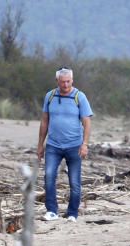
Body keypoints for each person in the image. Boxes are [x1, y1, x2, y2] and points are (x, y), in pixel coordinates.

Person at [36, 67, 93, 222]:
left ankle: (73, 213)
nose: (65, 85)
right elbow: (44, 121)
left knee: (74, 181)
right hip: (53, 146)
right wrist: (40, 145)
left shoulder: (79, 97)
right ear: (57, 82)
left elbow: (87, 122)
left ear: (72, 80)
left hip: (74, 145)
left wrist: (85, 144)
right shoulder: (50, 96)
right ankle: (52, 211)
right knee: (49, 176)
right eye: (62, 82)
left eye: (68, 81)